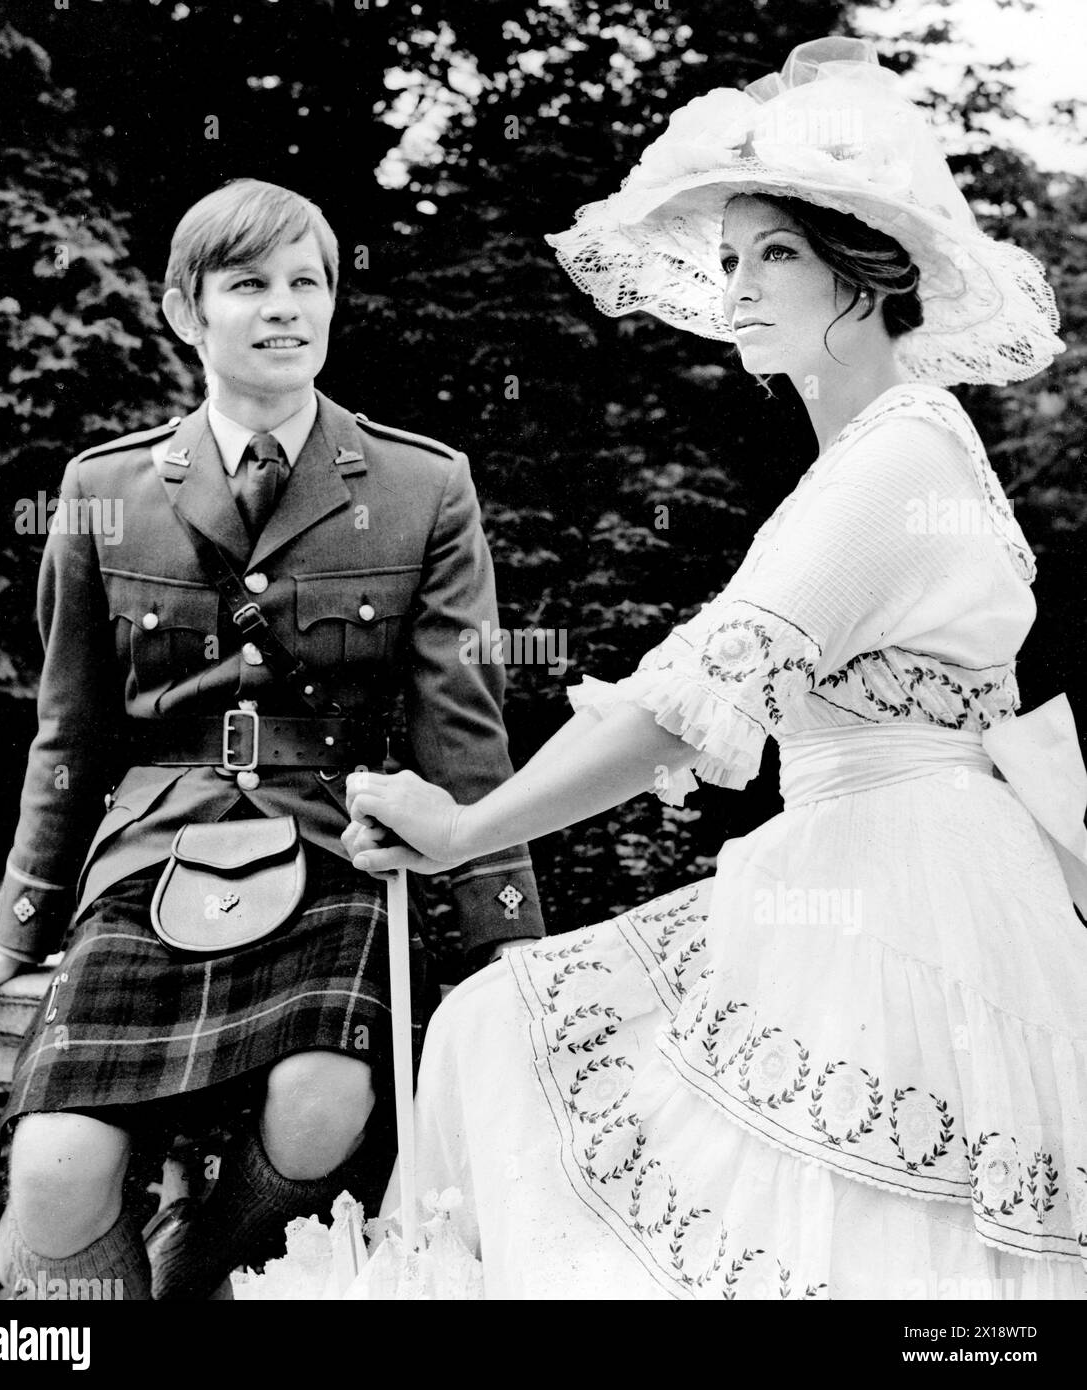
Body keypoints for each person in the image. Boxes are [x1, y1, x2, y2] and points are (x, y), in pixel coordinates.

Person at [343, 38, 1087, 1299]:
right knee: (500, 1035)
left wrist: (467, 828)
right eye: (731, 257)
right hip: (890, 857)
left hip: (907, 895)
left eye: (775, 254)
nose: (737, 283)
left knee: (830, 1233)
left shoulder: (891, 460)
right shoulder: (882, 450)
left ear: (865, 278)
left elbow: (677, 708)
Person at [0, 178, 544, 1300]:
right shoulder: (102, 487)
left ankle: (199, 1265)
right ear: (184, 311)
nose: (285, 308)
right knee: (57, 1166)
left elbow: (461, 723)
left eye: (307, 283)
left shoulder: (422, 484)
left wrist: (507, 932)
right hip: (150, 857)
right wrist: (14, 931)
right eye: (249, 284)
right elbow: (68, 731)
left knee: (323, 1104)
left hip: (335, 847)